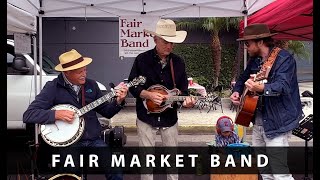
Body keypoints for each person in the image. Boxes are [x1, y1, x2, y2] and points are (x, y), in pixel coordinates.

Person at [23, 49, 128, 180]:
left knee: (115, 167)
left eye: (85, 70)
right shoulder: (52, 88)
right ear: (67, 72)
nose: (84, 74)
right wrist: (56, 114)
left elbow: (107, 112)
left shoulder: (92, 85)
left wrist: (119, 101)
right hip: (69, 144)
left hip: (93, 139)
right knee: (71, 174)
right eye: (80, 72)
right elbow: (29, 115)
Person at [230, 23, 302, 179]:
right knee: (265, 171)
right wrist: (236, 91)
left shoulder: (284, 59)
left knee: (280, 173)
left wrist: (260, 87)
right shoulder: (255, 60)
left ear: (260, 42)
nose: (245, 47)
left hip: (278, 121)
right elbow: (243, 78)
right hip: (258, 120)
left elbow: (282, 86)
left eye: (247, 44)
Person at [127, 19, 196, 180]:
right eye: (166, 42)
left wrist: (186, 102)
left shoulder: (178, 63)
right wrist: (148, 95)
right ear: (155, 39)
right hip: (146, 117)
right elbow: (132, 86)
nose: (170, 46)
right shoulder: (141, 60)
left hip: (169, 118)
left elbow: (183, 91)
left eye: (172, 43)